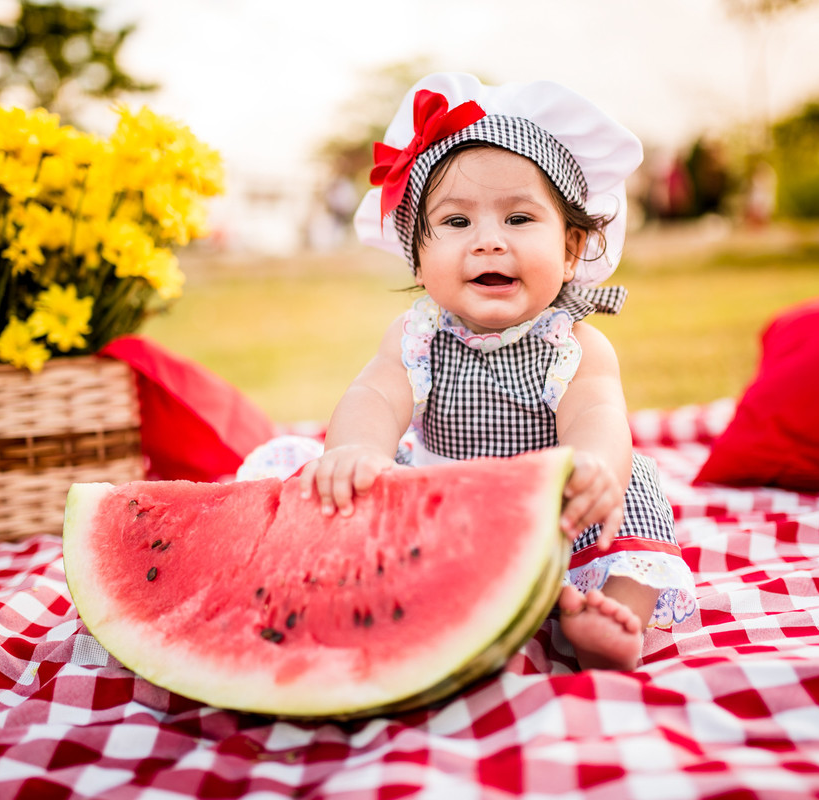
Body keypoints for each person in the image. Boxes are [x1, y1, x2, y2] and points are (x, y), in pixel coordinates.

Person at [240, 73, 697, 670]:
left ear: (571, 249)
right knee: (322, 474)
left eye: (519, 219)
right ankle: (361, 589)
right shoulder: (417, 334)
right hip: (435, 509)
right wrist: (357, 450)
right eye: (456, 224)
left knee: (635, 486)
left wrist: (595, 469)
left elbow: (598, 413)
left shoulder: (575, 342)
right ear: (417, 253)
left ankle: (613, 614)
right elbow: (376, 395)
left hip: (550, 516)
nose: (487, 243)